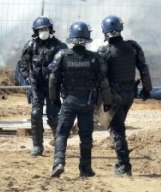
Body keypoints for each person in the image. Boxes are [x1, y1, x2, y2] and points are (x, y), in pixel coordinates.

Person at [48, 21, 113, 178]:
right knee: (85, 136)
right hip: (87, 102)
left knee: (62, 132)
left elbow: (53, 80)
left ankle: (59, 163)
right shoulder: (95, 58)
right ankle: (85, 169)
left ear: (71, 37)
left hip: (69, 101)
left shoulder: (62, 56)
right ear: (87, 37)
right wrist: (107, 102)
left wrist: (54, 99)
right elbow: (103, 83)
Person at [97, 15, 153, 176]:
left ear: (105, 32)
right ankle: (120, 162)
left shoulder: (104, 51)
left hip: (114, 96)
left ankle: (124, 166)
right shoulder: (133, 47)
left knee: (116, 130)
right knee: (119, 127)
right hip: (130, 94)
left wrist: (102, 99)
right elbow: (143, 68)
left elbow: (100, 78)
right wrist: (147, 88)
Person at [17, 16, 68, 157]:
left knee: (53, 115)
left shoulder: (59, 46)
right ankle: (37, 146)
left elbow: (66, 65)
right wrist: (29, 78)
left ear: (50, 29)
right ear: (36, 31)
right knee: (35, 114)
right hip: (37, 86)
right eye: (40, 29)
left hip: (53, 86)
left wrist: (60, 81)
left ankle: (59, 143)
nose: (43, 31)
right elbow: (22, 65)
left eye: (45, 29)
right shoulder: (30, 45)